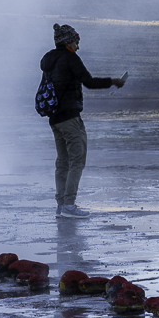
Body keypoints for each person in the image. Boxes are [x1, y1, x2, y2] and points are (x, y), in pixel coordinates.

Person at [40, 23, 126, 219]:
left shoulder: (48, 61)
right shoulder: (70, 58)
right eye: (76, 41)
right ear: (68, 41)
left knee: (62, 162)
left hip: (55, 119)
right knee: (77, 161)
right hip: (70, 118)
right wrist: (113, 81)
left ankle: (61, 204)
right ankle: (69, 206)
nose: (78, 46)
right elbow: (89, 82)